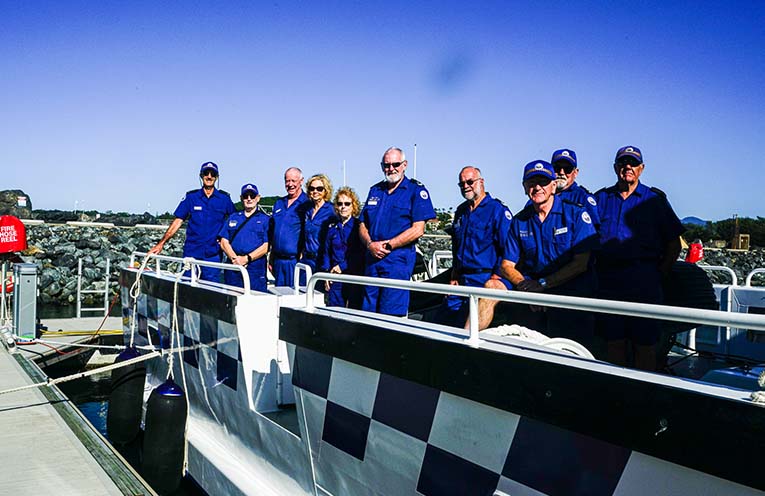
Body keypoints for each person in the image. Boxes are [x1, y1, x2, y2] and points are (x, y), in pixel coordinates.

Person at [474, 160, 598, 347]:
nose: (537, 187)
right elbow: (506, 265)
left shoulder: (575, 214)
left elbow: (581, 263)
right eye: (532, 183)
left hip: (568, 290)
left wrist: (542, 285)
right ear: (524, 187)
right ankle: (468, 344)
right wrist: (527, 287)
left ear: (553, 186)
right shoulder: (520, 221)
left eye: (543, 182)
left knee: (570, 349)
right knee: (492, 288)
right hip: (531, 290)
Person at [595, 146, 683, 371]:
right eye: (623, 163)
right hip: (609, 281)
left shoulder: (654, 200)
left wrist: (658, 274)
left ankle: (643, 389)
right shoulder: (601, 199)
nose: (628, 167)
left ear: (641, 168)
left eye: (633, 163)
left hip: (644, 282)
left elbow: (674, 244)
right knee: (613, 342)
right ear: (615, 167)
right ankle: (617, 387)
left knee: (645, 344)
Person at [359, 146, 435, 316]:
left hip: (397, 261)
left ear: (404, 165)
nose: (391, 169)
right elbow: (362, 224)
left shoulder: (415, 191)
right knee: (368, 313)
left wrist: (389, 245)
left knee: (391, 314)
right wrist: (370, 244)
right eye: (387, 165)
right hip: (372, 259)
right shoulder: (375, 190)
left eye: (395, 164)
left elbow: (418, 229)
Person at [441, 166, 512, 324]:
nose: (465, 186)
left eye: (470, 182)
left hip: (484, 278)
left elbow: (508, 249)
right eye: (461, 184)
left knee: (469, 328)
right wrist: (454, 275)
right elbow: (457, 247)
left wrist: (497, 276)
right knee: (442, 322)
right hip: (461, 280)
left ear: (481, 182)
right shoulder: (461, 211)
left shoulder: (497, 210)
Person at [149, 161, 235, 282]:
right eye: (206, 173)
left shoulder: (224, 199)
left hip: (213, 254)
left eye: (212, 174)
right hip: (192, 253)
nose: (209, 176)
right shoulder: (191, 197)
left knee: (211, 289)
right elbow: (178, 221)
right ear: (201, 176)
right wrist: (161, 243)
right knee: (188, 288)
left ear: (217, 177)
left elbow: (234, 223)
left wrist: (226, 240)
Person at [219, 183, 270, 292]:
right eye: (246, 196)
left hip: (255, 268)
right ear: (241, 198)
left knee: (255, 298)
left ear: (258, 198)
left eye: (252, 196)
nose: (249, 199)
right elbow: (224, 241)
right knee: (232, 298)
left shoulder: (266, 220)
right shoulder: (233, 217)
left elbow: (266, 246)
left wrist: (246, 259)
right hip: (234, 267)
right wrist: (235, 259)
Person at [321, 187, 365, 308]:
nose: (343, 207)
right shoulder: (332, 227)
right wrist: (326, 274)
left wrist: (342, 266)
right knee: (335, 311)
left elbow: (361, 253)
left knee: (354, 311)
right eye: (340, 204)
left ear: (353, 206)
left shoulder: (358, 227)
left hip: (354, 275)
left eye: (347, 204)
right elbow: (326, 252)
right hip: (335, 276)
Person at [268, 167, 311, 287]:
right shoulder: (279, 203)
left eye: (293, 181)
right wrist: (271, 257)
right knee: (279, 295)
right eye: (287, 181)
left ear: (301, 181)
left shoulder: (307, 203)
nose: (290, 184)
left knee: (295, 295)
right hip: (278, 261)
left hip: (295, 262)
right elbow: (273, 232)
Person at [550, 148, 600, 229]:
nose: (561, 172)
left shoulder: (582, 198)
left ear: (575, 172)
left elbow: (594, 229)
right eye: (557, 168)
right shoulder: (540, 197)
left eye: (567, 169)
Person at [301, 174, 337, 275]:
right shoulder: (307, 210)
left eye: (319, 189)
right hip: (306, 260)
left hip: (321, 261)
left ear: (326, 190)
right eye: (312, 188)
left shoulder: (332, 211)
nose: (315, 191)